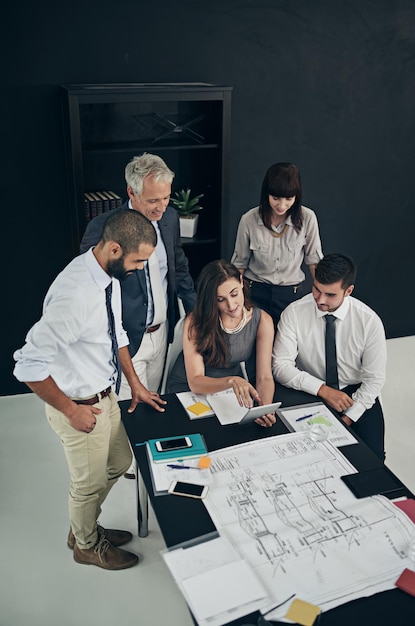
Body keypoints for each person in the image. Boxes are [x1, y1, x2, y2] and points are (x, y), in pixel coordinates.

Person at [13, 210, 167, 570]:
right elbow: (28, 366)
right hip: (80, 404)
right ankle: (85, 544)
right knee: (87, 484)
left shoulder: (106, 276)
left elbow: (117, 337)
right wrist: (71, 411)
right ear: (115, 248)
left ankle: (83, 526)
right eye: (139, 260)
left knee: (120, 462)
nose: (142, 268)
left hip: (105, 393)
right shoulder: (75, 295)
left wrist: (135, 384)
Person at [81, 152, 196, 477]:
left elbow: (179, 265)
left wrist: (196, 309)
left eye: (166, 197)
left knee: (151, 397)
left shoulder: (170, 219)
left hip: (163, 331)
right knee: (127, 402)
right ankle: (126, 464)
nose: (161, 207)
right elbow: (89, 287)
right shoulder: (102, 227)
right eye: (152, 200)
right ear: (131, 193)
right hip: (125, 337)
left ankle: (145, 456)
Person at [272, 253, 387, 459]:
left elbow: (373, 380)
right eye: (317, 289)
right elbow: (281, 366)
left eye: (331, 295)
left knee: (372, 457)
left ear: (348, 291)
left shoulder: (369, 322)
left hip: (354, 392)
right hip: (308, 388)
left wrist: (348, 419)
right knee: (298, 455)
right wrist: (323, 390)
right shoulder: (294, 312)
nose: (320, 300)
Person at [167, 259, 276, 427]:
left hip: (229, 391)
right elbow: (195, 381)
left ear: (241, 282)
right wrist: (230, 381)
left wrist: (265, 408)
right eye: (220, 299)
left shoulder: (262, 321)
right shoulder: (196, 321)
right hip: (190, 389)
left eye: (234, 294)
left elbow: (264, 377)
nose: (231, 305)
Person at [231, 162, 323, 327]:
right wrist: (234, 296)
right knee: (255, 346)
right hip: (255, 291)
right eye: (275, 198)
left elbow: (314, 261)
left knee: (286, 347)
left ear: (297, 196)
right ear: (266, 194)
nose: (282, 205)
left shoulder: (308, 218)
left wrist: (323, 294)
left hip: (290, 294)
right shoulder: (249, 220)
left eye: (289, 199)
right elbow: (239, 264)